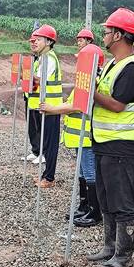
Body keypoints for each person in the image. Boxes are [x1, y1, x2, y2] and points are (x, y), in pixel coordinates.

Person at [87, 8, 134, 267]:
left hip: (123, 145)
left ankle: (123, 254)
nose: (104, 35)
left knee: (122, 200)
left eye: (107, 31)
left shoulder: (133, 69)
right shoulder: (113, 64)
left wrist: (90, 93)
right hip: (105, 142)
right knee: (106, 197)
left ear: (119, 35)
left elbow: (117, 105)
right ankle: (109, 246)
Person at [41, 44, 105, 228]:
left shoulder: (94, 81)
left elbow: (77, 105)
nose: (78, 63)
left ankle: (94, 211)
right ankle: (85, 205)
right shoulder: (85, 80)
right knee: (83, 173)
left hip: (86, 137)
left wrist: (54, 109)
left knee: (90, 173)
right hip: (79, 137)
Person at [27, 24, 63, 188]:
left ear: (49, 42)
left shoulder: (49, 58)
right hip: (44, 107)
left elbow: (39, 79)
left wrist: (26, 74)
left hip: (51, 107)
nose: (34, 42)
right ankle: (46, 175)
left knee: (50, 143)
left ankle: (49, 177)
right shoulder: (41, 58)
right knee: (46, 142)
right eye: (34, 40)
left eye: (39, 40)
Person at [23, 34, 41, 163]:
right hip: (29, 97)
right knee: (31, 126)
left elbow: (39, 79)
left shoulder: (43, 59)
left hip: (40, 98)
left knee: (40, 127)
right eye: (32, 42)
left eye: (36, 41)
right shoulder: (32, 59)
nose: (33, 44)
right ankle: (35, 150)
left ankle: (42, 152)